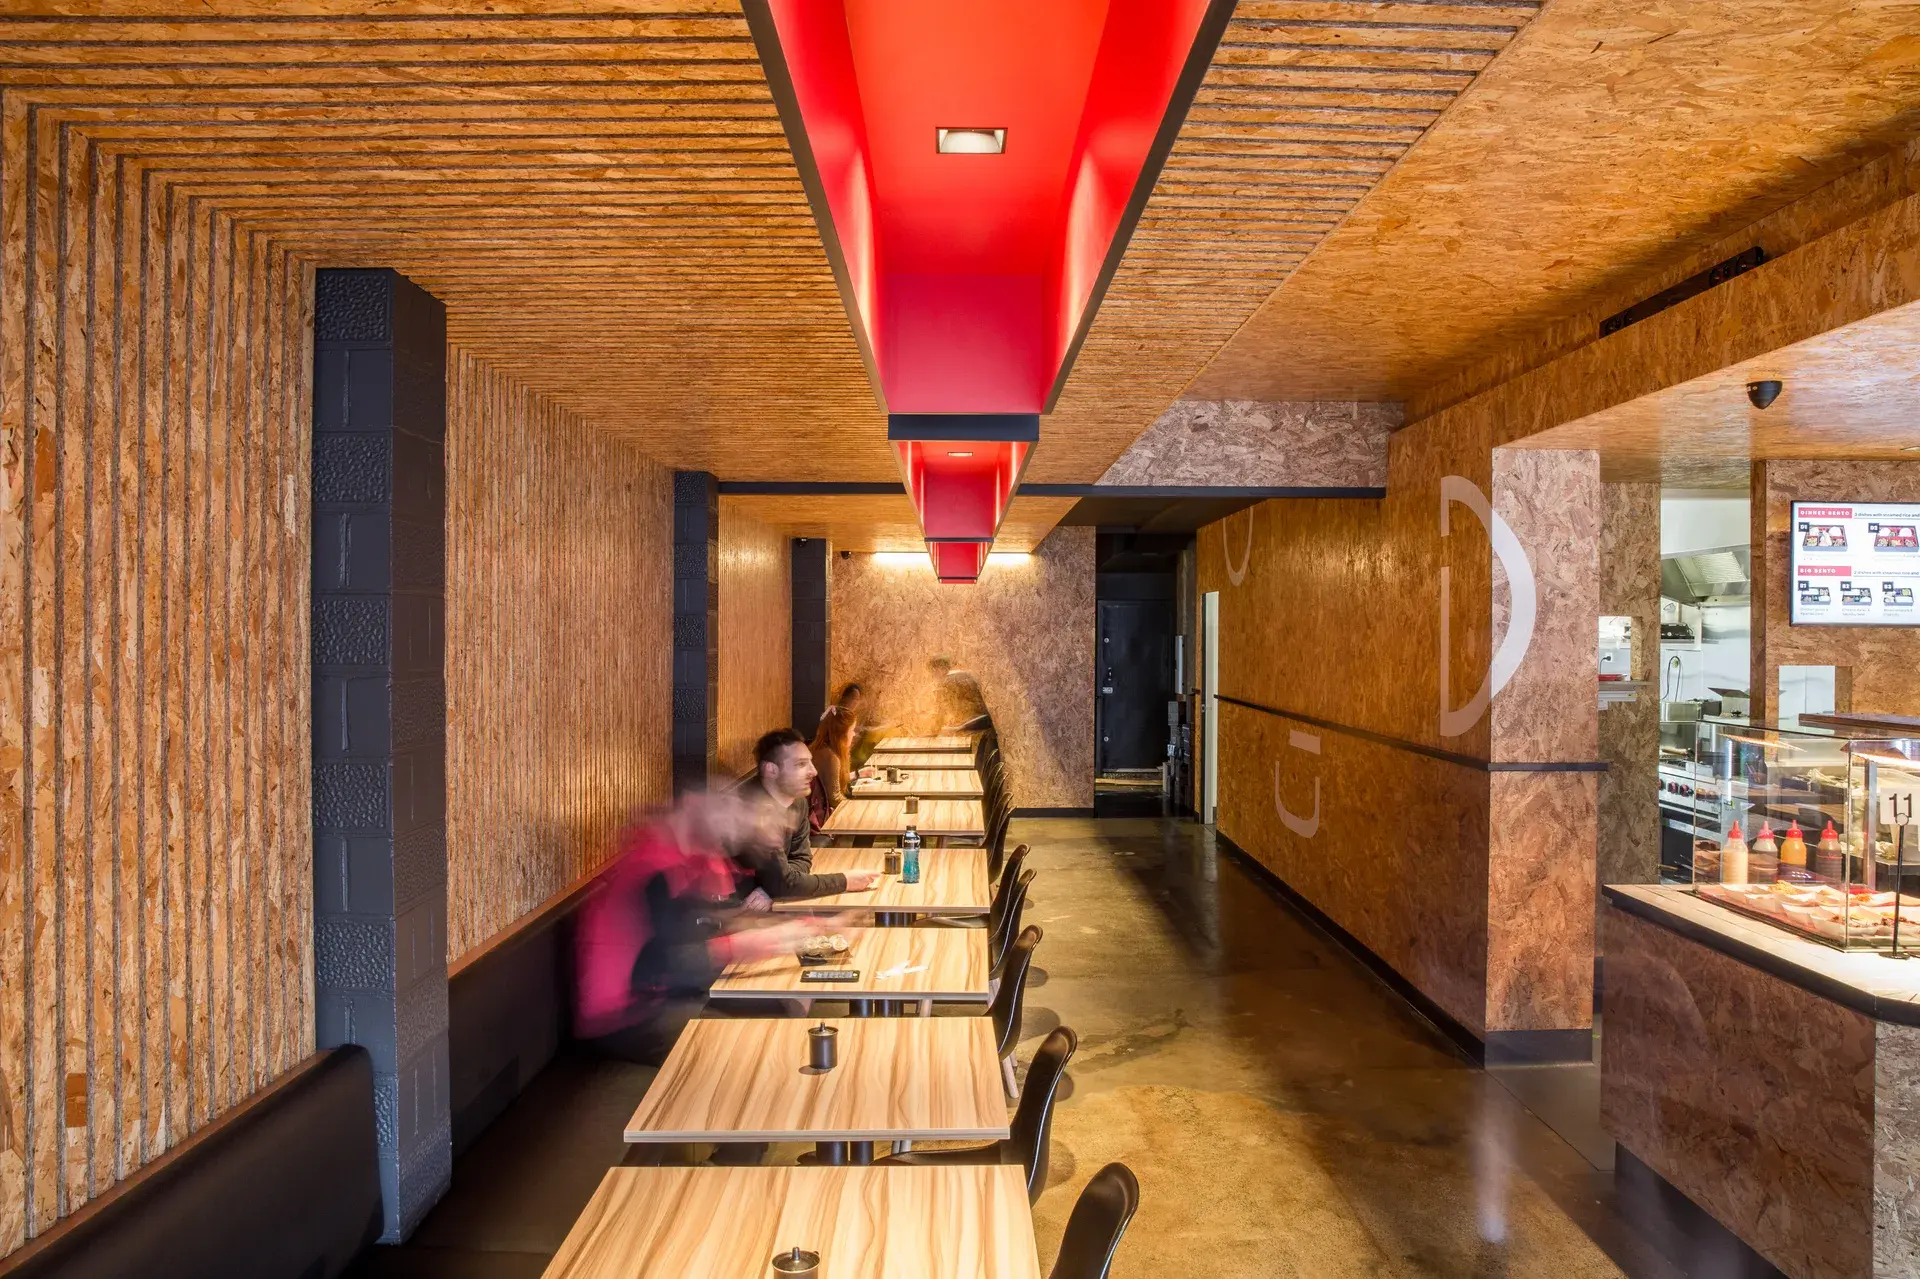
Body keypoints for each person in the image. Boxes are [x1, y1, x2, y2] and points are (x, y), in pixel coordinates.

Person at [572, 790, 811, 1065]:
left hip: (666, 992)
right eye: (727, 815)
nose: (735, 825)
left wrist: (797, 929)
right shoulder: (655, 867)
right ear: (692, 808)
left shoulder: (693, 856)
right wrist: (748, 943)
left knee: (794, 1003)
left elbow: (715, 920)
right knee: (769, 1050)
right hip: (628, 1015)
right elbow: (665, 964)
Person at [737, 728, 880, 899]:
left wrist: (775, 887)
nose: (813, 771)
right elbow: (783, 884)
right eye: (801, 764)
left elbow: (802, 857)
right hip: (731, 910)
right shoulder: (755, 811)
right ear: (771, 770)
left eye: (810, 762)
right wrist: (845, 881)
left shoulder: (797, 802)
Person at [808, 706, 858, 831]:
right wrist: (857, 807)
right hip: (821, 819)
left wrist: (858, 774)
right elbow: (834, 798)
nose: (854, 734)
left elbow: (830, 781)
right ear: (841, 734)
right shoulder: (831, 757)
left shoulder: (820, 749)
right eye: (852, 730)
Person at [929, 655, 991, 733]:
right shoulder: (963, 675)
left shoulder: (945, 682)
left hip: (973, 725)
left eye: (933, 671)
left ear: (939, 669)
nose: (932, 675)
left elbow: (940, 712)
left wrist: (934, 730)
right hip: (984, 721)